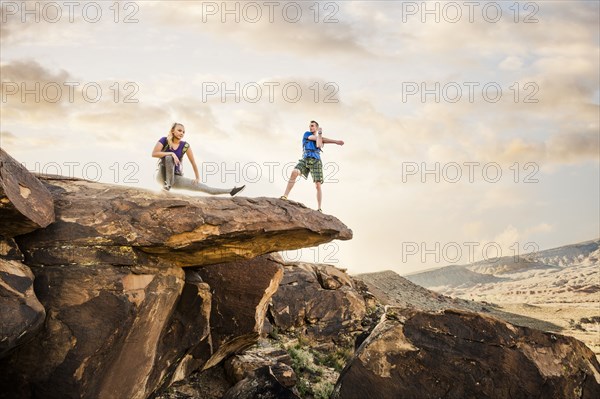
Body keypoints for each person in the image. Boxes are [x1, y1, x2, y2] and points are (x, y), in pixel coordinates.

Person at [152, 122, 245, 196]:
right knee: (169, 157)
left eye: (183, 132)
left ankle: (231, 191)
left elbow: (193, 163)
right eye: (179, 130)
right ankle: (167, 186)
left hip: (175, 178)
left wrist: (197, 177)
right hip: (161, 175)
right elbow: (154, 154)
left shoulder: (185, 146)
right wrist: (171, 153)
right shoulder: (164, 140)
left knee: (204, 187)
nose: (182, 133)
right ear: (172, 130)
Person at [280, 120, 344, 212]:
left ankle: (319, 208)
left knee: (318, 185)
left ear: (317, 128)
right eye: (310, 126)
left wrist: (325, 137)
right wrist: (335, 141)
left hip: (316, 161)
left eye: (313, 126)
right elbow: (315, 138)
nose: (311, 127)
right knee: (294, 172)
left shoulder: (320, 138)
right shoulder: (307, 134)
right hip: (306, 159)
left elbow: (319, 143)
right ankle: (285, 195)